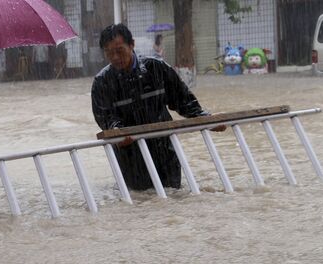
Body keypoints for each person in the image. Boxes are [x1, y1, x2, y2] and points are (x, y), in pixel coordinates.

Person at [91, 24, 225, 191]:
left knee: (173, 198)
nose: (116, 57)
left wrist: (207, 119)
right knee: (140, 202)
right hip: (130, 157)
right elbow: (105, 117)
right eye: (109, 53)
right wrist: (117, 131)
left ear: (131, 44)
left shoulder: (157, 68)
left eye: (119, 50)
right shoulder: (102, 82)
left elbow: (183, 101)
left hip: (165, 152)